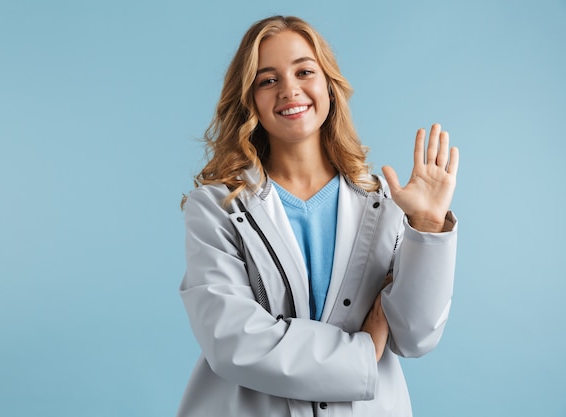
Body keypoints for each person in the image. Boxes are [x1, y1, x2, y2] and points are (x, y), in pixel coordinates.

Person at [177, 15, 459, 417]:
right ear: (250, 98)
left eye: (304, 71)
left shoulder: (385, 202)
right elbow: (233, 342)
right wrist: (364, 349)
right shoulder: (217, 207)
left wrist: (428, 228)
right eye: (267, 80)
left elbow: (416, 336)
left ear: (328, 84)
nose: (289, 90)